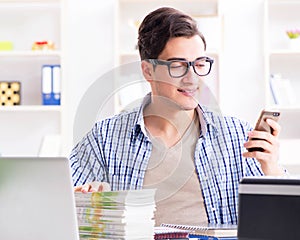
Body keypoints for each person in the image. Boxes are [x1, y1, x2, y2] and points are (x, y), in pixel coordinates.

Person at [70, 7, 284, 226]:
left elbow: (280, 221)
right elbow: (64, 205)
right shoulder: (104, 138)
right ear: (148, 71)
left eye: (199, 64)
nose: (192, 78)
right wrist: (82, 201)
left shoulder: (237, 135)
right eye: (178, 66)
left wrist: (273, 171)